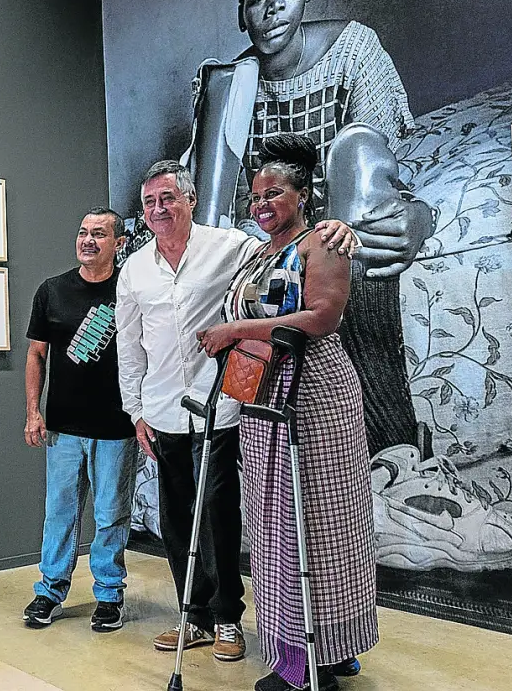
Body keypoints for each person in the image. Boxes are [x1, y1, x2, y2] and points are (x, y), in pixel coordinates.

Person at [116, 160, 359, 662]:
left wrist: (338, 226)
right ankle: (193, 617)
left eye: (168, 198)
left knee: (219, 517)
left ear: (190, 200)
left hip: (223, 403)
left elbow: (290, 248)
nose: (159, 209)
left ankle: (228, 617)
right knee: (176, 520)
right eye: (150, 203)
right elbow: (129, 346)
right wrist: (135, 410)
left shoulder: (232, 247)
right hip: (163, 408)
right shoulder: (134, 268)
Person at [185, 0, 434, 460]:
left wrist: (419, 214)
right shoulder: (230, 85)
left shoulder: (352, 50)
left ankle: (394, 447)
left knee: (347, 230)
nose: (274, 5)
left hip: (343, 221)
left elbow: (380, 170)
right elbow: (222, 211)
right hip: (275, 236)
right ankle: (248, 445)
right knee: (232, 280)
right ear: (241, 12)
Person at [198, 133, 376, 691]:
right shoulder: (258, 252)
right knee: (276, 524)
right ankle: (311, 648)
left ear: (303, 195)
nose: (262, 204)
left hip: (314, 394)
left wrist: (236, 329)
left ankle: (315, 658)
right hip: (263, 394)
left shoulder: (322, 243)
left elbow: (322, 316)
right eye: (255, 196)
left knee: (323, 522)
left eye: (274, 193)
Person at [21, 207, 137, 633]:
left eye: (100, 234)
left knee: (111, 515)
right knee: (60, 513)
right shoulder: (52, 291)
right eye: (84, 232)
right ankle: (50, 590)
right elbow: (36, 355)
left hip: (117, 427)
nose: (88, 240)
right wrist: (33, 411)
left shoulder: (131, 289)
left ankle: (108, 594)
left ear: (118, 243)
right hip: (63, 428)